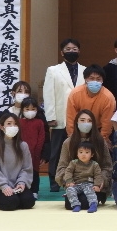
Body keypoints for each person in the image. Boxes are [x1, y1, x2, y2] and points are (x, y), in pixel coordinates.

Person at [43, 38, 85, 192]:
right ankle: (55, 183)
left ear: (79, 51)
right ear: (62, 52)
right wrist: (50, 117)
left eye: (74, 49)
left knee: (79, 150)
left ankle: (78, 180)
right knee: (57, 152)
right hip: (59, 118)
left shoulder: (85, 71)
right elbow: (48, 95)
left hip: (80, 119)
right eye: (68, 49)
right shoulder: (53, 70)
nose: (71, 51)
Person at [56, 109, 113, 209]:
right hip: (75, 184)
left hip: (94, 184)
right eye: (82, 120)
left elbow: (107, 166)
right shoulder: (68, 143)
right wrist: (68, 181)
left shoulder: (100, 141)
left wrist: (102, 180)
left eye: (89, 121)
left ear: (94, 124)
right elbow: (62, 167)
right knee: (69, 204)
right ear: (76, 122)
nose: (86, 123)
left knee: (85, 202)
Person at [0, 114, 35, 211]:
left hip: (17, 186)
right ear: (1, 126)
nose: (13, 126)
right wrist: (4, 186)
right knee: (11, 203)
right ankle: (1, 200)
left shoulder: (23, 146)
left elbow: (26, 168)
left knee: (29, 201)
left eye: (15, 124)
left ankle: (15, 198)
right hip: (0, 187)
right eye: (9, 124)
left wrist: (22, 182)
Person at [66, 64, 116, 144]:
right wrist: (72, 137)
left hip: (97, 129)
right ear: (85, 79)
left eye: (98, 79)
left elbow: (107, 123)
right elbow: (70, 118)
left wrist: (102, 139)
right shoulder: (75, 94)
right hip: (79, 128)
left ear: (103, 80)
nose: (95, 81)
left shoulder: (108, 97)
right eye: (91, 78)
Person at [63, 142, 103, 213]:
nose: (83, 154)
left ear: (92, 155)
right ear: (77, 154)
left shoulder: (95, 165)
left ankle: (93, 204)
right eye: (81, 152)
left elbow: (98, 175)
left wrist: (97, 185)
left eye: (87, 152)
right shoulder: (73, 163)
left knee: (90, 190)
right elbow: (68, 172)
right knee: (69, 190)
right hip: (76, 184)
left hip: (88, 183)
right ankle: (75, 205)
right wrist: (69, 181)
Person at [18, 97, 45, 199]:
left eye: (33, 109)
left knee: (35, 172)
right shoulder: (19, 122)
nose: (30, 111)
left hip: (35, 153)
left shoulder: (39, 122)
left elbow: (41, 137)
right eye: (27, 109)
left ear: (37, 110)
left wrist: (37, 151)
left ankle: (34, 190)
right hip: (22, 152)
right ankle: (23, 188)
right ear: (22, 110)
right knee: (22, 171)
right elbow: (18, 137)